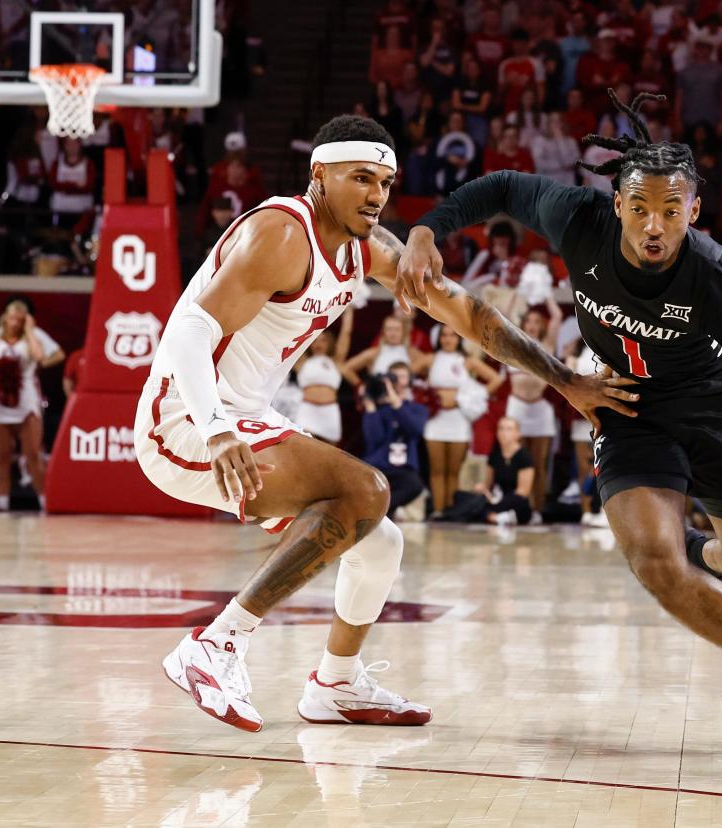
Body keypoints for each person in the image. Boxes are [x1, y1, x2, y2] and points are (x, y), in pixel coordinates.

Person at [399, 90, 722, 753]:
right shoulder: (578, 217)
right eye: (642, 208)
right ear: (618, 203)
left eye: (671, 211)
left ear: (694, 212)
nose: (654, 224)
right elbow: (503, 187)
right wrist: (429, 227)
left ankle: (703, 550)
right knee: (653, 560)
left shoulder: (715, 278)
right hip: (622, 404)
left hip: (712, 408)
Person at [135, 114, 627, 733]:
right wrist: (214, 427)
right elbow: (188, 329)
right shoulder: (282, 232)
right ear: (320, 174)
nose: (375, 195)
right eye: (360, 177)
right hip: (183, 421)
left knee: (379, 541)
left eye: (386, 183)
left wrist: (563, 378)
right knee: (365, 490)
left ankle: (334, 685)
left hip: (245, 416)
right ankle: (214, 646)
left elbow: (468, 315)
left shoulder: (367, 249)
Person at [420, 325, 504, 516]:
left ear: (459, 339)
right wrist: (424, 395)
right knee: (437, 470)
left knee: (454, 470)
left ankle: (451, 510)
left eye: (453, 335)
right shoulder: (431, 359)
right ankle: (438, 510)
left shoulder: (467, 361)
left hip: (459, 420)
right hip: (435, 420)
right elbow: (408, 374)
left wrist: (471, 396)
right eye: (444, 336)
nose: (448, 339)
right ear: (439, 338)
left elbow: (496, 379)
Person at [0, 300, 62, 511]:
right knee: (2, 454)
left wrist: (29, 329)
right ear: (4, 317)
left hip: (26, 399)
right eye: (11, 316)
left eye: (20, 318)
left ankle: (45, 500)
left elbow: (40, 357)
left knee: (33, 453)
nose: (15, 321)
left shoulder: (33, 336)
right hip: (0, 400)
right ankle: (2, 501)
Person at [505, 299, 564, 520]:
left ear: (542, 326)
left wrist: (546, 291)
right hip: (517, 408)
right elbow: (505, 317)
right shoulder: (512, 343)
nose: (531, 324)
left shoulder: (547, 346)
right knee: (515, 461)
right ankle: (515, 508)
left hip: (540, 409)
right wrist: (519, 292)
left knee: (539, 464)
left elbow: (557, 316)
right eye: (528, 320)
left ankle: (536, 509)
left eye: (537, 321)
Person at [361, 362, 429, 520]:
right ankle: (382, 512)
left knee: (415, 485)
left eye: (402, 377)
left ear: (410, 381)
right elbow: (373, 439)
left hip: (403, 469)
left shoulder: (417, 408)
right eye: (393, 377)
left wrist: (396, 403)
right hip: (377, 467)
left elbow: (415, 430)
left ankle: (379, 512)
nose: (397, 381)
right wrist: (370, 406)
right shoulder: (378, 409)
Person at [565, 337, 608, 527]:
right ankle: (586, 510)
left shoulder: (608, 346)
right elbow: (569, 380)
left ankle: (606, 511)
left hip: (605, 415)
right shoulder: (577, 352)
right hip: (582, 417)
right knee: (585, 469)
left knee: (605, 465)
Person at [294, 320, 351, 445]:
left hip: (329, 410)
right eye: (315, 340)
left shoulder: (336, 361)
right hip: (307, 410)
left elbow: (346, 334)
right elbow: (295, 337)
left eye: (323, 340)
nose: (318, 344)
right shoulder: (302, 362)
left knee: (332, 453)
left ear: (330, 343)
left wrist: (350, 311)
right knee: (304, 448)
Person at [475, 417, 535, 526]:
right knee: (471, 499)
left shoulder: (524, 457)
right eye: (501, 429)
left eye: (509, 429)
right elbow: (489, 483)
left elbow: (523, 491)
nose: (504, 433)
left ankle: (496, 515)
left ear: (518, 434)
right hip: (496, 496)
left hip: (514, 500)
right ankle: (497, 516)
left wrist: (499, 502)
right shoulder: (495, 454)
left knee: (519, 502)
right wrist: (482, 488)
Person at [341, 315, 424, 386]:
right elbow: (346, 368)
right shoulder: (374, 353)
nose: (393, 333)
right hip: (379, 400)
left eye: (397, 329)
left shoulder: (412, 353)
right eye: (389, 329)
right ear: (383, 332)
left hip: (405, 400)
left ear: (403, 332)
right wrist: (360, 387)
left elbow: (432, 367)